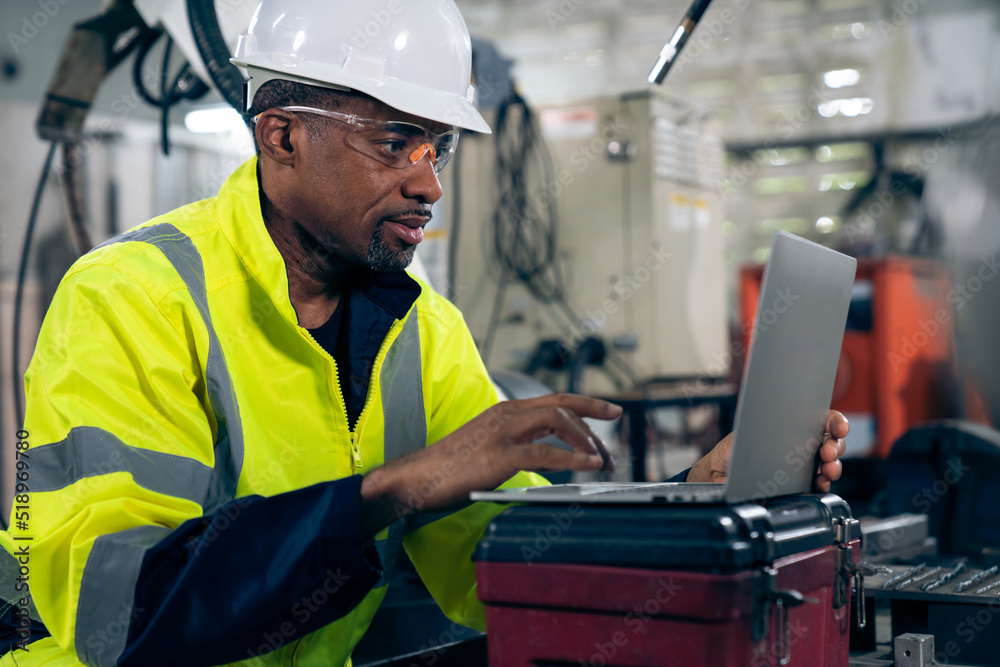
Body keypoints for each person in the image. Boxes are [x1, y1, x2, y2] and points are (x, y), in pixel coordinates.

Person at [0, 0, 848, 665]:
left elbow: (505, 563)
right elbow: (124, 614)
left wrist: (687, 500)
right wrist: (393, 488)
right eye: (396, 142)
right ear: (282, 135)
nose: (429, 185)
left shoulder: (421, 328)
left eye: (436, 149)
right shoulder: (131, 296)